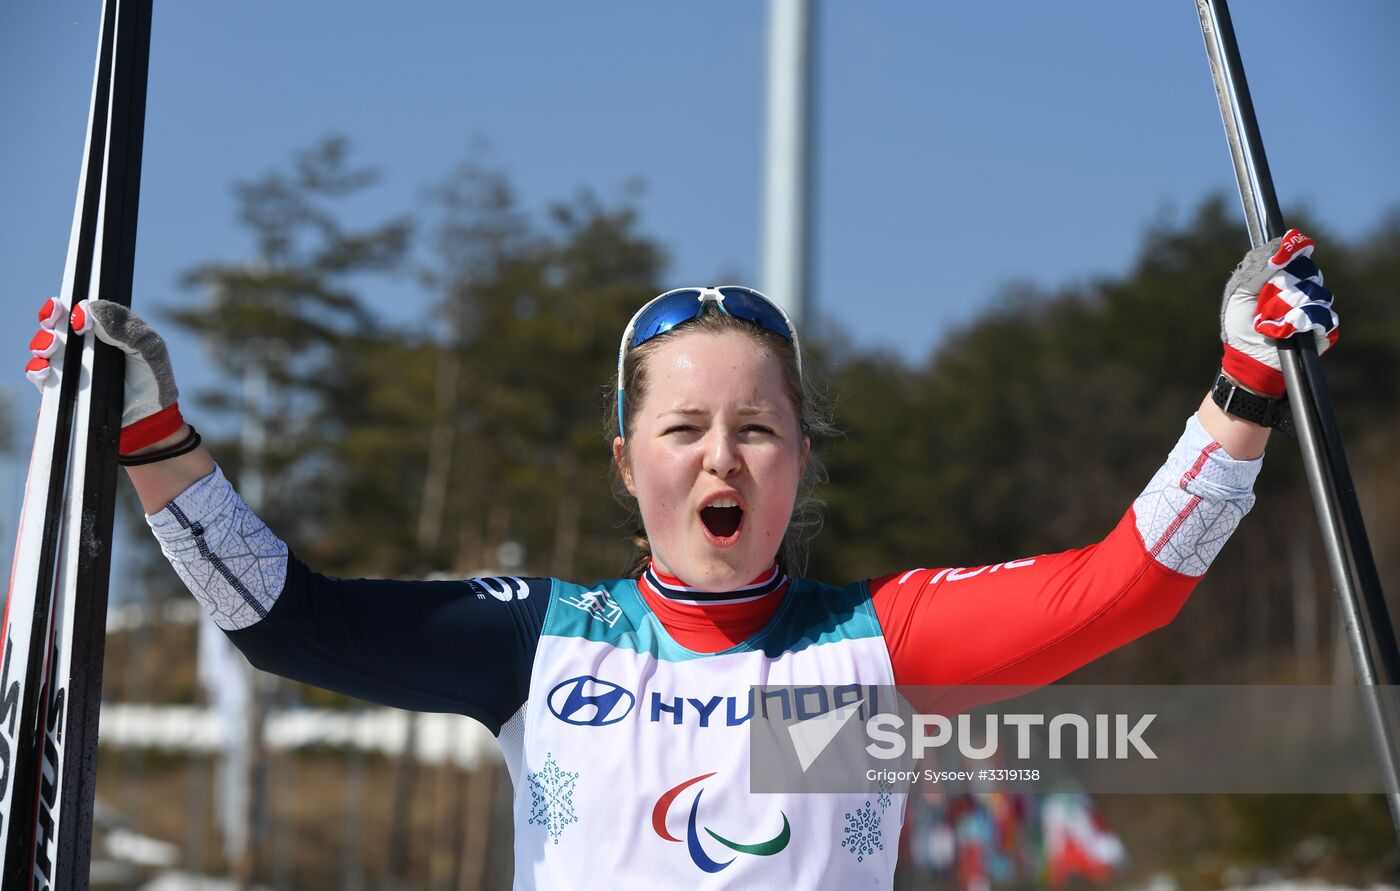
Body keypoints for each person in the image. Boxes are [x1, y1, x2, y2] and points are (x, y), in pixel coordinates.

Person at [24, 229, 1339, 888]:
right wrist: (153, 432)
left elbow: (1130, 583)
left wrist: (1244, 380)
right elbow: (285, 621)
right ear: (625, 462)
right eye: (687, 429)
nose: (723, 460)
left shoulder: (877, 645)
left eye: (759, 431)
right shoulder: (545, 641)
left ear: (803, 464)